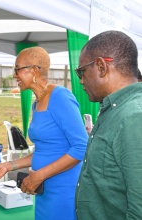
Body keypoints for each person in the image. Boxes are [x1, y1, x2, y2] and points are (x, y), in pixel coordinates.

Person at [0, 47, 88, 220]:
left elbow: (81, 146)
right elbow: (43, 151)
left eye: (18, 69)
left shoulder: (60, 97)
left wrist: (39, 175)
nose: (15, 75)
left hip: (63, 189)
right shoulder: (37, 102)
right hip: (42, 188)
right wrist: (8, 166)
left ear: (35, 69)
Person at [75, 30, 142, 219]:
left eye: (82, 71)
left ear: (101, 66)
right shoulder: (115, 109)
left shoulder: (134, 117)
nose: (81, 80)